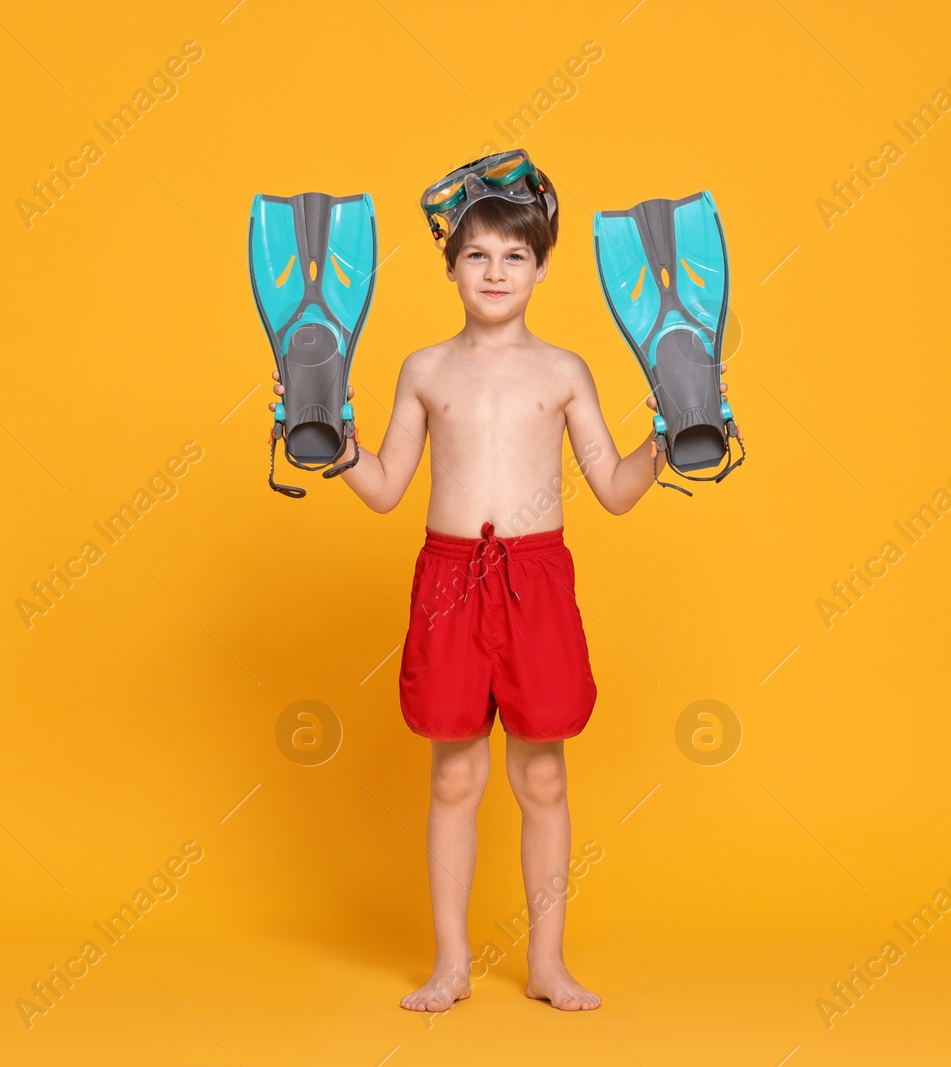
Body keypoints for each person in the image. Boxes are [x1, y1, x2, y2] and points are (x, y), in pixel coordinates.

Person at [268, 152, 729, 1012]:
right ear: (450, 266)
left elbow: (617, 494)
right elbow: (383, 490)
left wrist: (673, 427)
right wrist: (327, 438)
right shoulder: (424, 369)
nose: (495, 271)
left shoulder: (564, 372)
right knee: (453, 778)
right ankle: (450, 964)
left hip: (536, 580)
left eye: (514, 256)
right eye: (477, 254)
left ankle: (548, 964)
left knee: (543, 777)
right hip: (448, 582)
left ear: (544, 266)